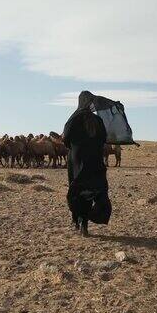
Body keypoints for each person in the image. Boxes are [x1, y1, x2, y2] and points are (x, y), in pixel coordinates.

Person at [63, 91, 112, 237]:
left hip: (77, 162)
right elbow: (104, 139)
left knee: (78, 191)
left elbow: (66, 139)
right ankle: (89, 218)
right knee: (93, 190)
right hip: (95, 161)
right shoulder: (97, 120)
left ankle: (81, 221)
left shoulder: (74, 119)